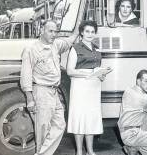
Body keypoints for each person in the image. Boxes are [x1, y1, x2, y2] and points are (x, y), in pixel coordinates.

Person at [20, 20, 78, 155]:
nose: (53, 34)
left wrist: (77, 31)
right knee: (42, 130)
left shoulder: (55, 45)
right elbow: (26, 75)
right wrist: (30, 99)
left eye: (55, 31)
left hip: (54, 92)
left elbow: (68, 41)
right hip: (41, 92)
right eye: (50, 31)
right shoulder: (31, 49)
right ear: (42, 30)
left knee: (60, 124)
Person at [67, 20, 110, 155]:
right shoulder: (75, 48)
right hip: (80, 86)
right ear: (81, 32)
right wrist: (89, 73)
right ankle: (79, 151)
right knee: (80, 117)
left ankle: (90, 150)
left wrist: (102, 75)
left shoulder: (97, 49)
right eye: (87, 31)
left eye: (92, 32)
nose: (90, 34)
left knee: (90, 118)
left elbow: (98, 71)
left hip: (93, 87)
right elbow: (70, 71)